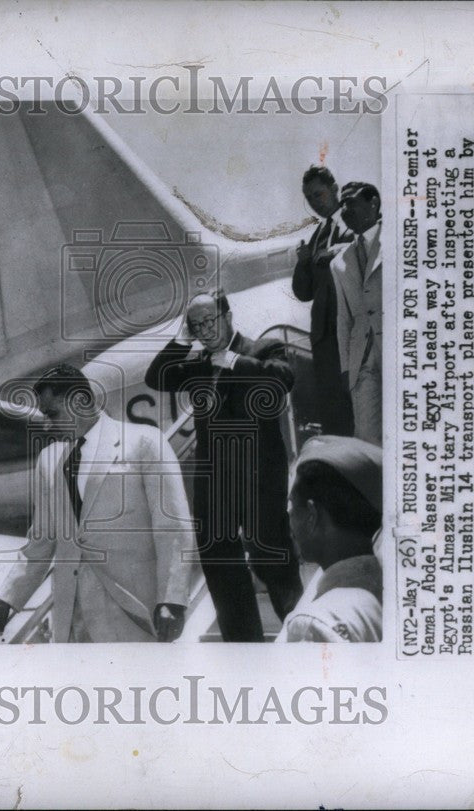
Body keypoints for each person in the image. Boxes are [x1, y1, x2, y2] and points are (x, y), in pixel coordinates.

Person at [0, 364, 196, 644]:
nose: (46, 424)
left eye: (51, 414)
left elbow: (173, 527)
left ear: (80, 402)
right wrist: (5, 601)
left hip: (133, 612)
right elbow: (41, 543)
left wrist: (172, 599)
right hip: (70, 618)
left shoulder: (145, 443)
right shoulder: (49, 460)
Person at [144, 289, 304, 642]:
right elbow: (156, 378)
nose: (204, 330)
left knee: (272, 560)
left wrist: (233, 362)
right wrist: (180, 340)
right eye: (196, 325)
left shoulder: (264, 349)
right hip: (215, 482)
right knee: (219, 563)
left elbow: (282, 380)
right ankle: (243, 646)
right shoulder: (198, 364)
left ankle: (302, 638)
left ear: (228, 316)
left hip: (259, 478)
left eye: (209, 321)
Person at [280, 435, 382, 642]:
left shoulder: (315, 624)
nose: (288, 514)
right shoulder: (393, 587)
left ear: (311, 515)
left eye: (292, 504)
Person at [291, 166, 355, 437]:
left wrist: (335, 252)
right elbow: (303, 292)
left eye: (319, 194)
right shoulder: (318, 233)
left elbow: (367, 247)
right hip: (324, 338)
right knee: (332, 411)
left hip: (349, 331)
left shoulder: (354, 219)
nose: (315, 203)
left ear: (335, 189)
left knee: (355, 403)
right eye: (309, 198)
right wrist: (303, 263)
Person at [330, 182, 383, 446]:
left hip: (401, 348)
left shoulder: (400, 241)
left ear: (373, 202)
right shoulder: (339, 262)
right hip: (362, 359)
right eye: (342, 205)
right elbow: (344, 318)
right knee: (366, 437)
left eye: (351, 202)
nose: (345, 210)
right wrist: (345, 366)